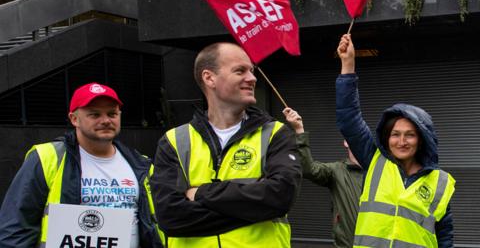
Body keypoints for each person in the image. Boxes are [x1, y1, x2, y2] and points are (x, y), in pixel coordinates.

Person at [151, 42, 302, 248]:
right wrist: (254, 210)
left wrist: (202, 193)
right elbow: (170, 217)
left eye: (251, 71)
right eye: (240, 71)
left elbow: (280, 197)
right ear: (209, 78)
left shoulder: (275, 133)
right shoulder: (175, 141)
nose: (252, 78)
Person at [0, 82, 163, 248]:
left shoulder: (141, 164)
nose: (106, 120)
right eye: (95, 114)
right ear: (74, 119)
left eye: (112, 113)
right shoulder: (46, 158)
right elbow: (16, 227)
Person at [336, 34, 456, 248]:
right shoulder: (375, 160)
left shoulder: (441, 183)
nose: (402, 141)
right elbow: (349, 119)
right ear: (387, 137)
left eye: (410, 134)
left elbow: (444, 237)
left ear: (421, 139)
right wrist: (348, 65)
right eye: (395, 134)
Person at [283, 107, 363, 248]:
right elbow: (309, 169)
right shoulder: (336, 170)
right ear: (345, 142)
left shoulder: (379, 171)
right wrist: (299, 130)